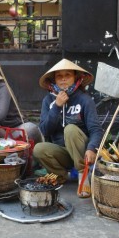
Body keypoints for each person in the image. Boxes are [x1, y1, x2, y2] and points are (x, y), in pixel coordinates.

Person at [33, 59, 103, 198]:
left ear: (76, 78)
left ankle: (83, 176)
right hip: (63, 153)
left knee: (70, 129)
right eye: (59, 76)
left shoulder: (84, 100)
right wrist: (57, 106)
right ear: (54, 80)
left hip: (82, 153)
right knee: (38, 149)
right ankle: (61, 176)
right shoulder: (48, 101)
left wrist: (92, 148)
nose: (63, 79)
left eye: (68, 75)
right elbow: (45, 130)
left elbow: (96, 129)